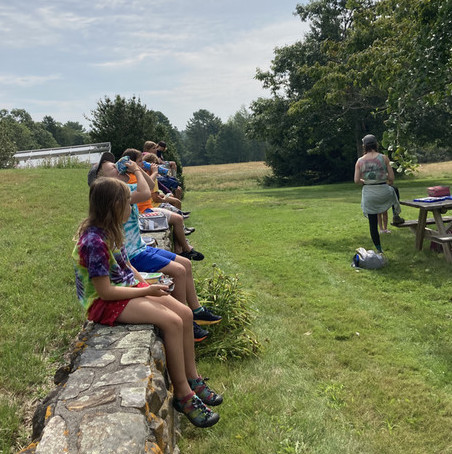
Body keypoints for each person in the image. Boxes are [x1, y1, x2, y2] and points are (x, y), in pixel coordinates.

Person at [72, 177, 222, 427]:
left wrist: (146, 285)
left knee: (184, 313)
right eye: (127, 203)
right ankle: (184, 396)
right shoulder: (93, 242)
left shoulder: (110, 231)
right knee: (172, 322)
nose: (131, 208)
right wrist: (144, 292)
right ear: (113, 205)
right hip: (105, 302)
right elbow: (105, 292)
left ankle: (193, 378)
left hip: (127, 289)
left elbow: (127, 265)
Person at [88, 152, 221, 342]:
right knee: (178, 271)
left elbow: (149, 187)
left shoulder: (125, 187)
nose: (118, 167)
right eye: (112, 168)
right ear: (102, 181)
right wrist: (136, 169)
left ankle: (196, 311)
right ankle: (187, 321)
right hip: (133, 253)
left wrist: (137, 170)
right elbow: (144, 194)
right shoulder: (116, 196)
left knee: (186, 265)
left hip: (141, 247)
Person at [354, 134, 404, 253]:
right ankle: (395, 214)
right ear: (376, 144)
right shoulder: (384, 158)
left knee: (373, 224)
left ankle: (379, 250)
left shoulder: (360, 161)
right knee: (394, 190)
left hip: (369, 193)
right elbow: (391, 178)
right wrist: (384, 180)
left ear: (364, 146)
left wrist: (366, 181)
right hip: (384, 191)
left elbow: (356, 180)